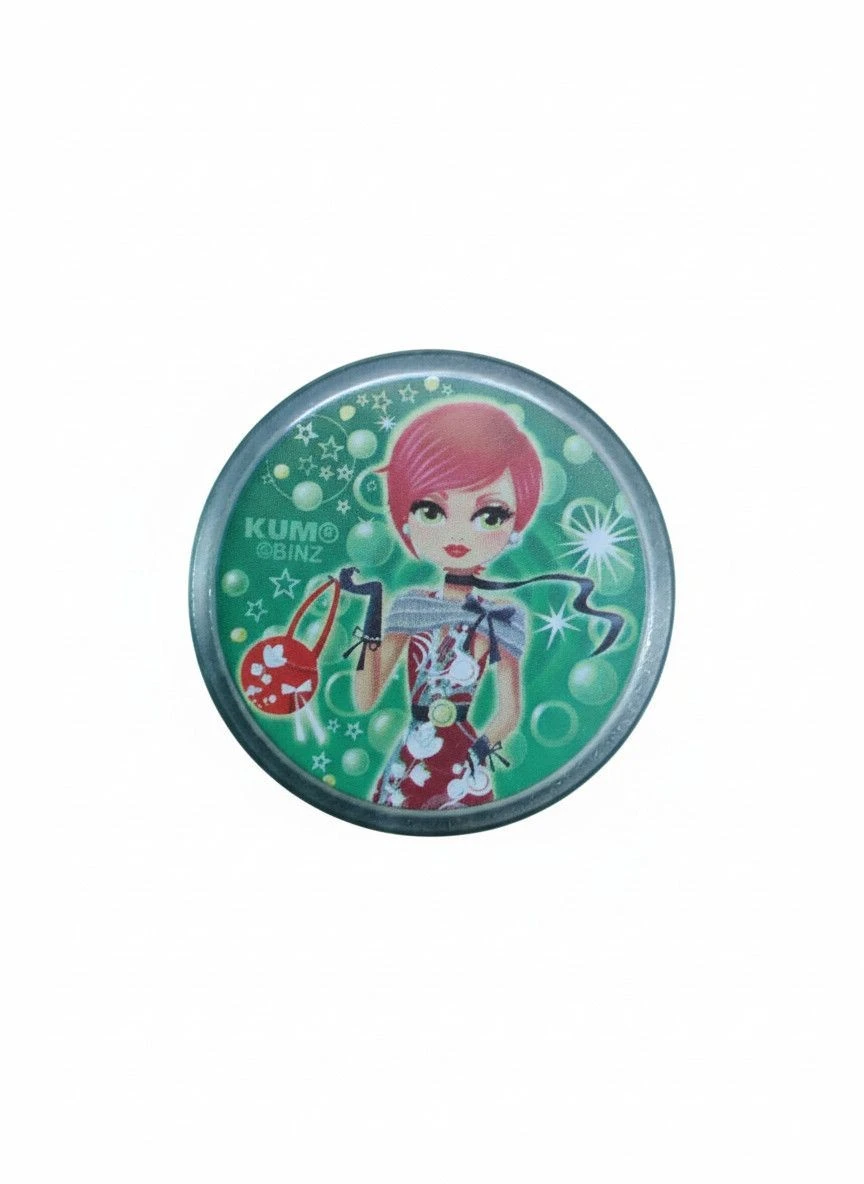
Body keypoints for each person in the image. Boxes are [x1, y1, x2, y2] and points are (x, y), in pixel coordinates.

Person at [339, 401, 621, 810]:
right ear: (405, 518)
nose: (456, 534)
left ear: (514, 527)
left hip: (463, 754)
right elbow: (365, 698)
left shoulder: (500, 616)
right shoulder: (411, 606)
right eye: (431, 510)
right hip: (411, 755)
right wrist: (373, 610)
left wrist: (476, 752)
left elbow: (509, 710)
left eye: (489, 516)